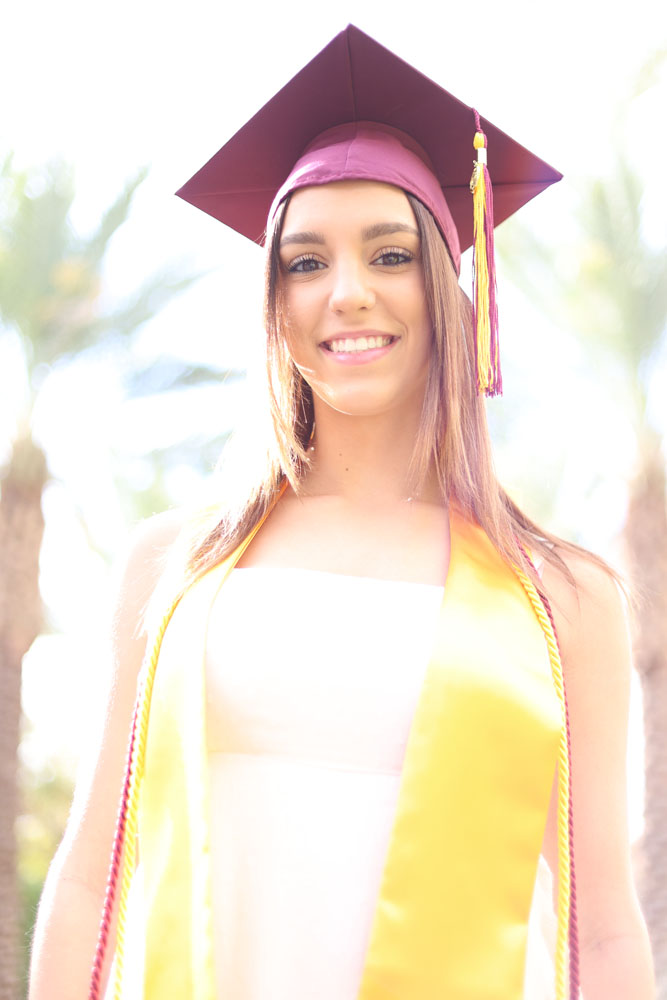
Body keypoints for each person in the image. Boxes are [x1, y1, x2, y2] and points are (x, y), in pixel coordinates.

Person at [28, 25, 654, 1000]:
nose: (346, 294)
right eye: (305, 262)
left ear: (447, 290)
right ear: (271, 301)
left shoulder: (560, 596)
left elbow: (603, 930)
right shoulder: (176, 567)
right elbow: (85, 883)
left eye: (389, 254)